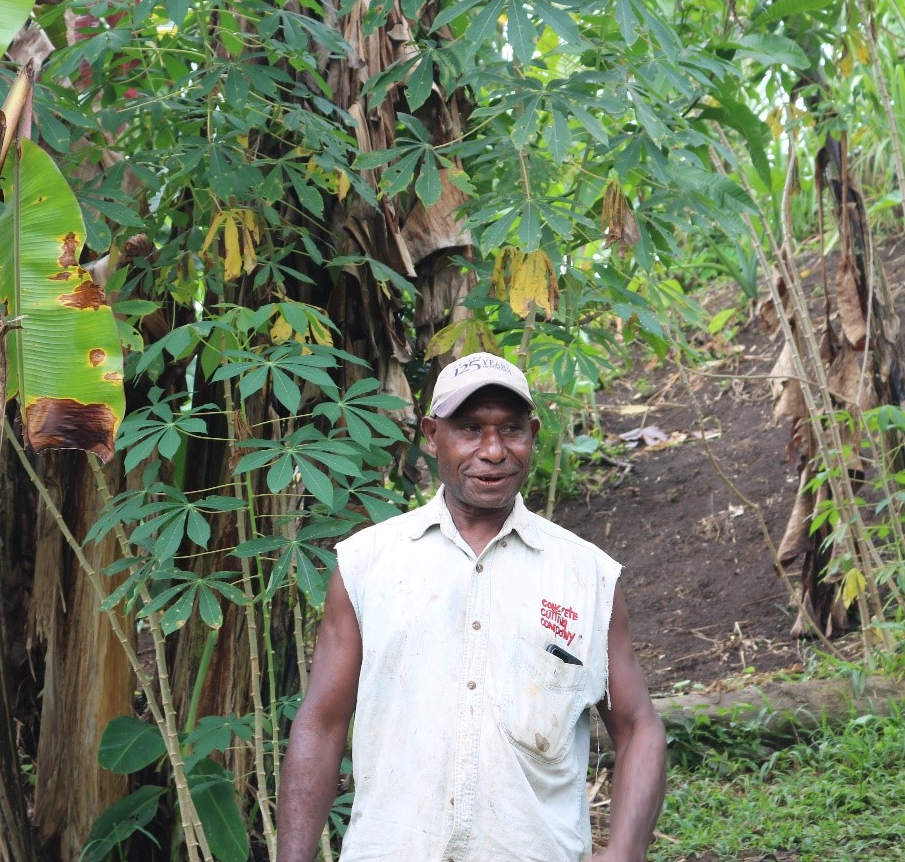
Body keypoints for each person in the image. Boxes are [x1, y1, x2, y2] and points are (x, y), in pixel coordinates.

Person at [276, 352, 666, 862]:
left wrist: (625, 850)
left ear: (533, 433)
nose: (493, 450)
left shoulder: (587, 576)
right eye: (469, 429)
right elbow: (321, 725)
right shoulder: (366, 565)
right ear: (433, 434)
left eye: (511, 430)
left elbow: (639, 727)